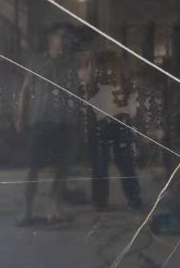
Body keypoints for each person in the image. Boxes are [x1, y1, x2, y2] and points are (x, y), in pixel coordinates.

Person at [15, 25, 76, 224]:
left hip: (64, 122)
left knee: (62, 168)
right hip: (41, 120)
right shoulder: (37, 62)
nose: (64, 41)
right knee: (33, 167)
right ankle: (27, 210)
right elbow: (25, 90)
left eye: (67, 38)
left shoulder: (71, 64)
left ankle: (54, 207)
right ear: (51, 39)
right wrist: (20, 116)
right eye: (61, 37)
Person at [81, 51, 143, 211]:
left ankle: (127, 199)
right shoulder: (100, 75)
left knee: (120, 162)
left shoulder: (117, 74)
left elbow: (129, 93)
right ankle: (116, 200)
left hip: (115, 120)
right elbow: (90, 92)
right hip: (107, 121)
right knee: (108, 163)